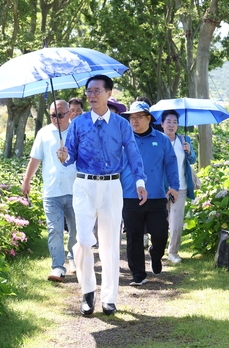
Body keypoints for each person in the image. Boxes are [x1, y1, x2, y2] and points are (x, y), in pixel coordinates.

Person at [57, 74, 148, 317]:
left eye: (96, 91)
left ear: (109, 93)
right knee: (84, 241)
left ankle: (109, 298)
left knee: (110, 244)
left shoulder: (120, 125)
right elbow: (72, 157)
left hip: (111, 188)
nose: (91, 95)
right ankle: (88, 293)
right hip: (84, 186)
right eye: (88, 91)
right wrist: (65, 157)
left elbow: (132, 153)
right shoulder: (78, 123)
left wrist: (140, 181)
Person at [120, 101, 179, 286]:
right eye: (131, 117)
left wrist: (174, 186)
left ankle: (156, 253)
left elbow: (171, 163)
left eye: (138, 117)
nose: (134, 120)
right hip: (130, 196)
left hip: (156, 195)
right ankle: (138, 275)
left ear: (149, 118)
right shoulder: (124, 140)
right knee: (134, 236)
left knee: (160, 233)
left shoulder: (161, 140)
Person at [22, 100, 78, 282]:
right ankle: (57, 267)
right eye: (53, 115)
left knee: (76, 230)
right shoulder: (44, 133)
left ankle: (74, 258)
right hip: (52, 191)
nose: (56, 118)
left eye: (61, 114)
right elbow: (35, 159)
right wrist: (26, 181)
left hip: (76, 189)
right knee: (54, 230)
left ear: (69, 113)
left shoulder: (77, 131)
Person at [160, 109, 197, 264]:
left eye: (175, 122)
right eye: (168, 121)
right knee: (160, 221)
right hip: (161, 188)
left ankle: (173, 252)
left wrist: (188, 152)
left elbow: (193, 160)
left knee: (176, 222)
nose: (172, 125)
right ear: (162, 124)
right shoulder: (158, 140)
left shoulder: (184, 140)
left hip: (180, 188)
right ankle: (157, 248)